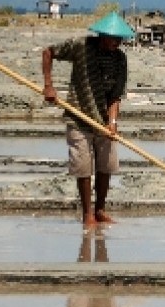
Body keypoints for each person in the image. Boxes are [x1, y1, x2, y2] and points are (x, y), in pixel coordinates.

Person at [41, 11, 134, 227]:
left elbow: (115, 96)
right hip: (78, 116)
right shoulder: (81, 46)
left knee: (107, 165)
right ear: (102, 35)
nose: (117, 43)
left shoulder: (120, 59)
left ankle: (100, 209)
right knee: (83, 167)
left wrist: (112, 123)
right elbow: (48, 52)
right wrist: (48, 85)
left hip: (102, 121)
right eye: (113, 38)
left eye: (120, 39)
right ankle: (87, 214)